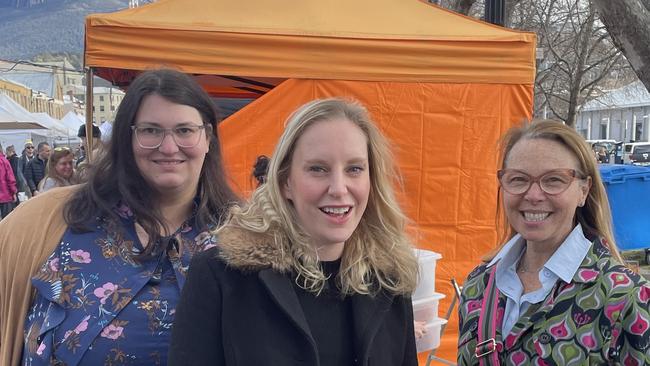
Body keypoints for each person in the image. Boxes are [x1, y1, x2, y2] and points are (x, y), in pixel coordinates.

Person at [0, 68, 238, 366]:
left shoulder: (242, 239)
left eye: (185, 130)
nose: (168, 147)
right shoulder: (51, 222)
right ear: (128, 138)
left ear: (208, 138)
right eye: (150, 130)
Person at [169, 98, 420, 366]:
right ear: (286, 182)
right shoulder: (222, 277)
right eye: (318, 169)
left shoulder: (389, 280)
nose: (338, 188)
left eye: (354, 169)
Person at [457, 120, 650, 365]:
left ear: (583, 191)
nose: (533, 195)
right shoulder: (478, 286)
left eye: (554, 180)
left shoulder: (626, 298)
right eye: (518, 179)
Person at [0, 143, 17, 219]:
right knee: (6, 221)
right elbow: (10, 179)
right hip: (5, 196)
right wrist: (14, 192)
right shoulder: (5, 161)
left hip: (5, 195)